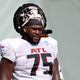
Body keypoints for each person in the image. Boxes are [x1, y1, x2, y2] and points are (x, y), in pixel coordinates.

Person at [0, 3, 60, 80]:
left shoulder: (51, 44)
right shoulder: (12, 46)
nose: (37, 32)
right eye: (34, 29)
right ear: (25, 29)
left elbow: (56, 75)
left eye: (40, 29)